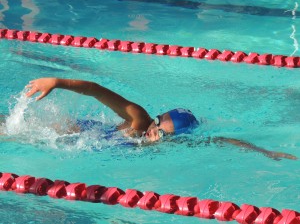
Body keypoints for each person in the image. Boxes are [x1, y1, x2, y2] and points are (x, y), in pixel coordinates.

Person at [24, 77, 297, 160]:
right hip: (72, 133)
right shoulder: (139, 122)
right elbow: (97, 91)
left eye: (162, 135)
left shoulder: (176, 143)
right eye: (156, 126)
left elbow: (221, 141)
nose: (154, 134)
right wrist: (57, 82)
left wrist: (265, 151)